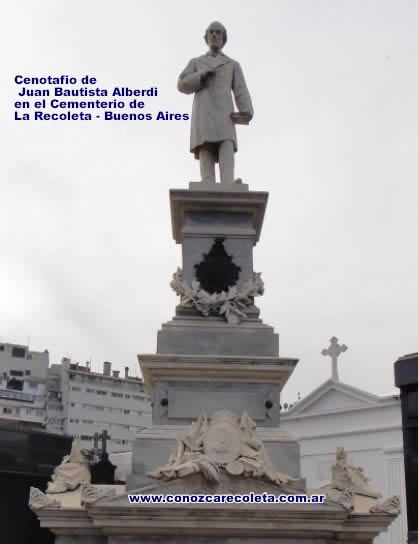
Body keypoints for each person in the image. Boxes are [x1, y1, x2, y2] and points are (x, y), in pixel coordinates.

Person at [178, 22, 253, 184]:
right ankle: (207, 179)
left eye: (218, 32)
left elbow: (240, 88)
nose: (214, 35)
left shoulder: (232, 64)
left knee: (226, 142)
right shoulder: (196, 62)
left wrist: (246, 109)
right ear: (206, 37)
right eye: (211, 32)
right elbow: (182, 84)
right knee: (206, 143)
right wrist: (201, 76)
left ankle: (228, 180)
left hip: (225, 111)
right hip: (204, 110)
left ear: (223, 38)